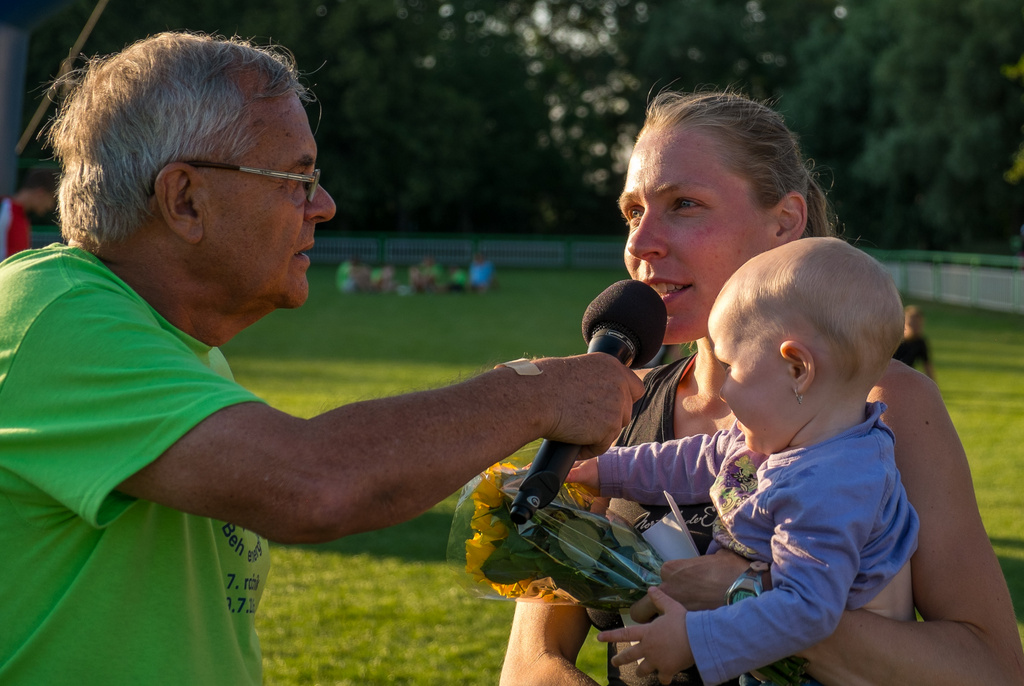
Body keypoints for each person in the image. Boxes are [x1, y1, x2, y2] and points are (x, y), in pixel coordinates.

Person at [0, 32, 644, 685]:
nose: (324, 205)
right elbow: (314, 485)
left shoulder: (168, 345)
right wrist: (534, 391)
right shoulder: (49, 317)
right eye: (298, 178)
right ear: (185, 199)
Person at [500, 90, 1024, 686]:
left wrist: (743, 596)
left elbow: (993, 668)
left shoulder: (885, 409)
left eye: (685, 205)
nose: (642, 243)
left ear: (785, 223)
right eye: (632, 212)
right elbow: (531, 665)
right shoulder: (609, 404)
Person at [568, 238, 918, 685]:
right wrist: (603, 470)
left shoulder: (832, 484)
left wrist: (694, 640)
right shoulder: (778, 438)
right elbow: (695, 461)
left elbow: (806, 610)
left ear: (798, 369)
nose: (724, 391)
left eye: (731, 366)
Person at [0, 167, 57, 260]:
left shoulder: (20, 215)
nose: (50, 206)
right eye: (52, 200)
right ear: (40, 193)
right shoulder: (4, 209)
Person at [893, 305, 935, 381]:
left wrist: (934, 386)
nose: (916, 328)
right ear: (903, 323)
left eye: (919, 325)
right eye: (912, 325)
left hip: (907, 376)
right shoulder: (894, 340)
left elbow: (927, 365)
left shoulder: (920, 342)